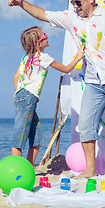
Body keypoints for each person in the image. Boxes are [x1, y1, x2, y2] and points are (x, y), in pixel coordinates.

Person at [8, 0, 105, 178]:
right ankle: (90, 170)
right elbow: (43, 14)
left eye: (78, 2)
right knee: (85, 125)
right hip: (93, 82)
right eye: (73, 2)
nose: (75, 6)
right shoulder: (72, 18)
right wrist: (20, 3)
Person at [12, 26, 84, 165]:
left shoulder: (25, 58)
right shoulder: (44, 57)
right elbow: (66, 69)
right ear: (37, 43)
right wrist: (78, 57)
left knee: (37, 138)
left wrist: (19, 95)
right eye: (43, 35)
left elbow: (16, 78)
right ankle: (15, 170)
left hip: (23, 97)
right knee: (20, 137)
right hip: (28, 98)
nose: (46, 36)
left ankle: (28, 168)